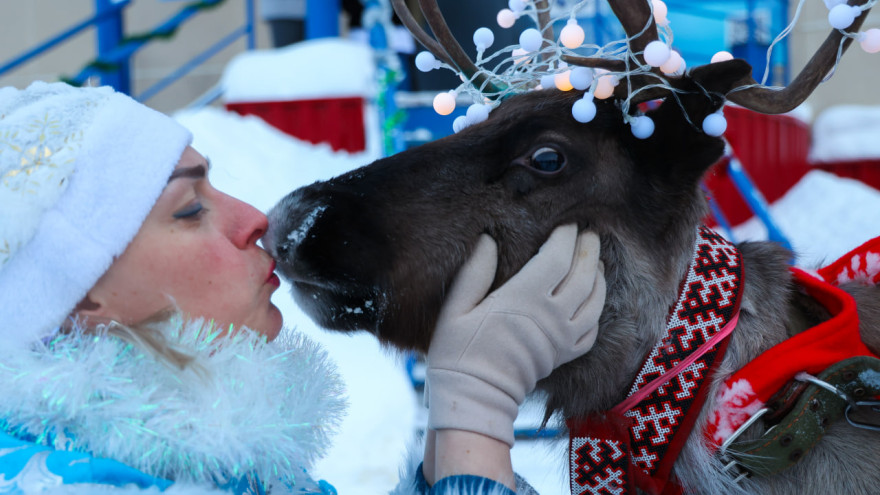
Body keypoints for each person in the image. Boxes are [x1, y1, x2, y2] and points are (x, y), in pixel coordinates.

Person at [0, 82, 606, 494]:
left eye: (216, 188)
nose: (254, 219)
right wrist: (478, 414)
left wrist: (453, 428)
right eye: (190, 211)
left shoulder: (192, 463)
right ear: (78, 291)